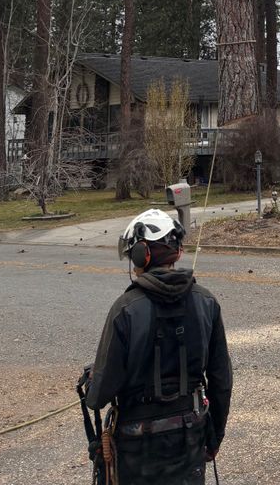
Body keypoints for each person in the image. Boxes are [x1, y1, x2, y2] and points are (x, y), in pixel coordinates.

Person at [86, 207, 232, 483]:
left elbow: (99, 396)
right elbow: (221, 379)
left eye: (133, 256)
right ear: (176, 253)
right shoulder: (206, 302)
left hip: (136, 447)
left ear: (143, 254)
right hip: (190, 437)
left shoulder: (125, 309)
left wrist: (93, 380)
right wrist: (214, 438)